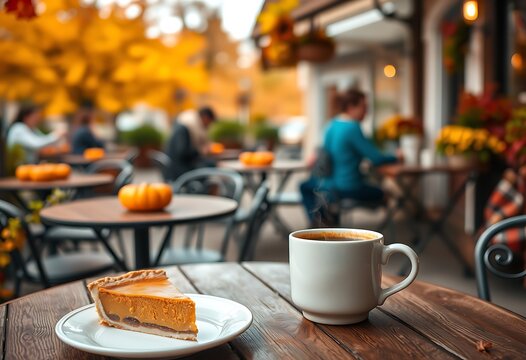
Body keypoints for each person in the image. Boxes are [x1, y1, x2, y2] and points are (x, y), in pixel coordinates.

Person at [300, 89, 398, 226]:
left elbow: (323, 151)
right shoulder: (353, 128)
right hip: (349, 187)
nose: (366, 112)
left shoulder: (332, 124)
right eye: (364, 107)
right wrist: (396, 156)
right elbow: (376, 158)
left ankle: (319, 222)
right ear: (351, 107)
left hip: (329, 186)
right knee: (388, 193)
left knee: (304, 186)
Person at [165, 106, 216, 181]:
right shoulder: (185, 128)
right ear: (205, 118)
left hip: (173, 165)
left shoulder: (183, 124)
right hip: (178, 169)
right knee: (209, 165)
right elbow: (182, 152)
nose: (208, 126)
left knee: (210, 163)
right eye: (209, 122)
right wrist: (201, 151)